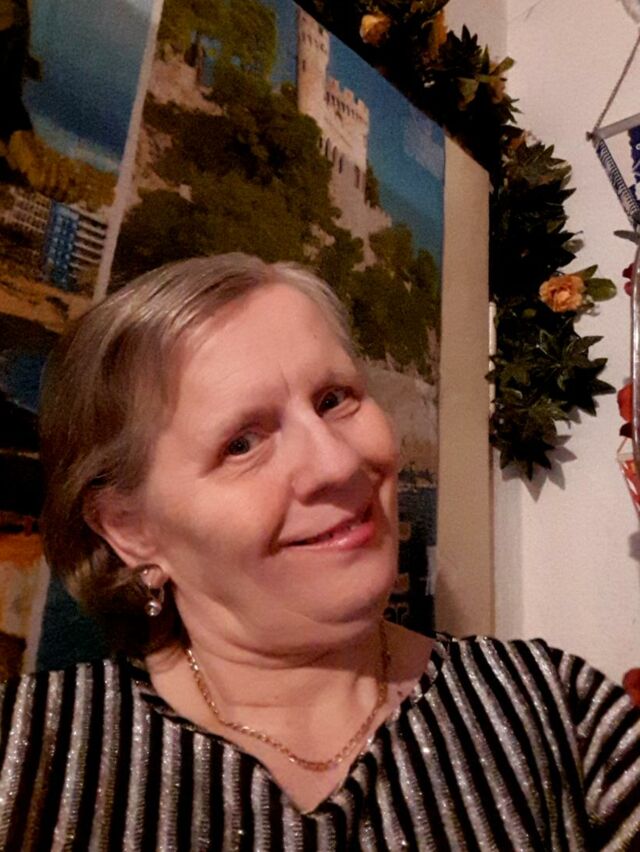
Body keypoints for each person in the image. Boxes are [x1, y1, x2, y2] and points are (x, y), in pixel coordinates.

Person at [0, 253, 639, 850]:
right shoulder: (27, 755)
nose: (338, 463)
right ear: (130, 528)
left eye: (334, 400)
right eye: (242, 443)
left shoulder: (560, 713)